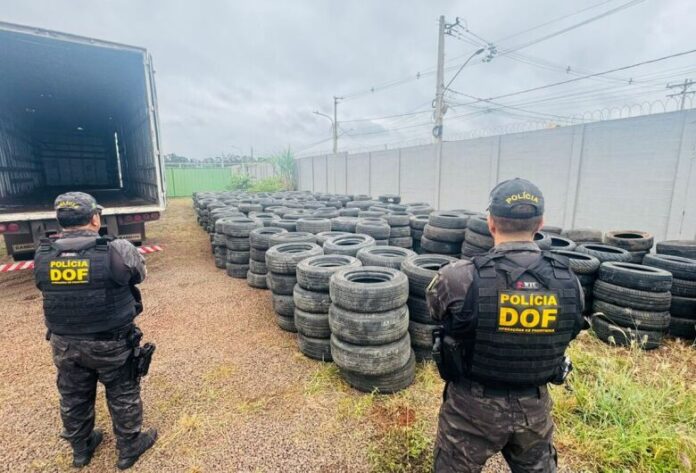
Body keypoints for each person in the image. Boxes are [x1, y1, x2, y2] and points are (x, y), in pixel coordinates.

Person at [427, 178, 587, 473]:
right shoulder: (569, 282)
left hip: (470, 409)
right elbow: (572, 329)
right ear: (540, 223)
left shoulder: (458, 278)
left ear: (490, 223)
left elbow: (436, 313)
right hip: (533, 408)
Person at [33, 192, 157, 469]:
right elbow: (140, 275)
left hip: (65, 343)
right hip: (111, 341)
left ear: (60, 220)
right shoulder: (117, 249)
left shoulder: (43, 254)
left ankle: (81, 449)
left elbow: (42, 285)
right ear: (94, 218)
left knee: (73, 396)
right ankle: (129, 448)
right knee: (123, 391)